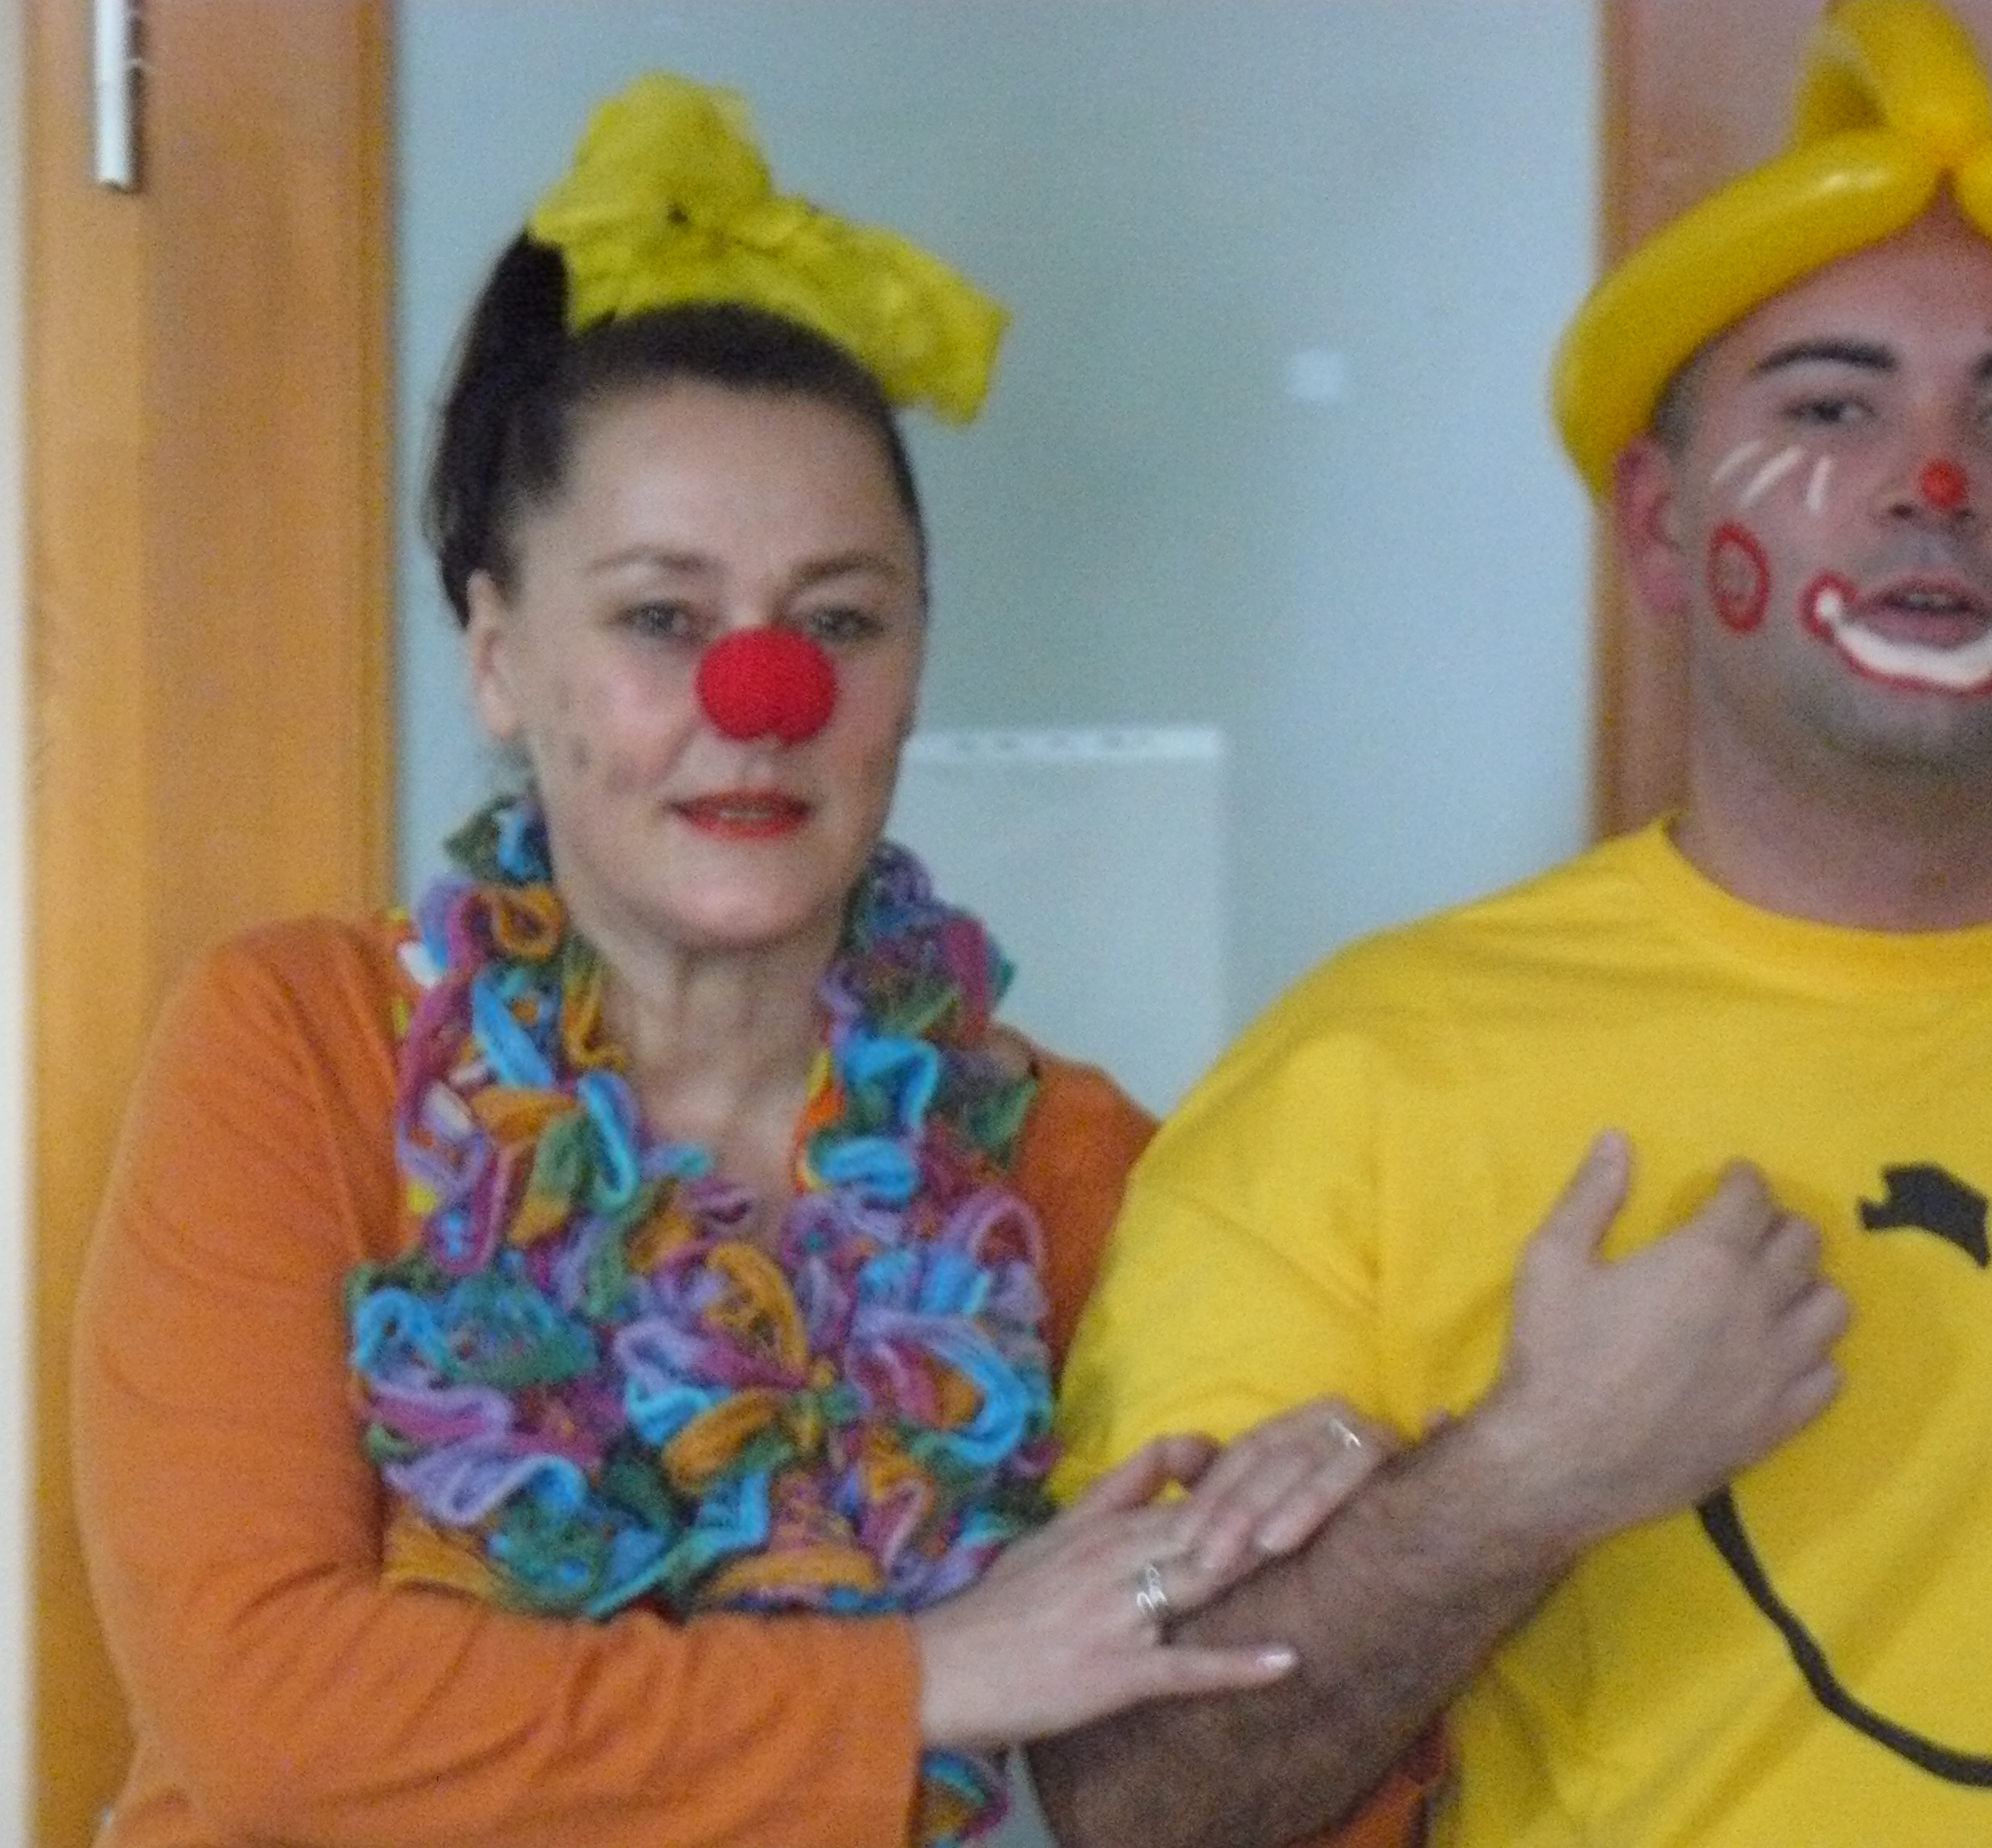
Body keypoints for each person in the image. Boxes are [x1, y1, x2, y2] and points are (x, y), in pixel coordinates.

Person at [1034, 5, 1992, 1846]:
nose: (1936, 483)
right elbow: (1131, 1803)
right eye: (1829, 406)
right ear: (1660, 530)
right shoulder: (1373, 1076)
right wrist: (1526, 1479)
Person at [71, 73, 1398, 1848]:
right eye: (662, 617)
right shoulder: (294, 1048)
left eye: (837, 620)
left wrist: (1430, 1514)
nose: (759, 698)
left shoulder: (1071, 1173)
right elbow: (272, 1720)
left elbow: (1276, 1742)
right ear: (497, 657)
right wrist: (929, 1678)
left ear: (912, 669)